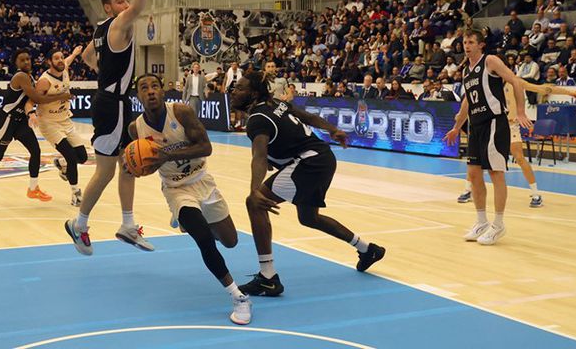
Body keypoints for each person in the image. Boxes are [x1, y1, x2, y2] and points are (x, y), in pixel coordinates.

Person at [231, 70, 385, 298]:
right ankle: (368, 249)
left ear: (253, 93)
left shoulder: (258, 119)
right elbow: (307, 117)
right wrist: (332, 129)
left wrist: (254, 190)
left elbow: (259, 156)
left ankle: (268, 278)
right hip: (322, 158)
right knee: (308, 218)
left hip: (309, 162)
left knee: (254, 203)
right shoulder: (276, 104)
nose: (234, 91)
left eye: (240, 88)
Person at [131, 74, 251, 325]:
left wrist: (165, 155)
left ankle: (190, 220)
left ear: (162, 91)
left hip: (202, 180)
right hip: (176, 188)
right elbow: (148, 165)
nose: (150, 91)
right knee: (205, 240)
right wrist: (138, 166)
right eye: (144, 88)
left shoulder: (181, 112)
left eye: (155, 86)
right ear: (139, 96)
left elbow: (206, 147)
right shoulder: (136, 129)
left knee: (230, 241)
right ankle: (238, 296)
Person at [65, 0, 161, 256]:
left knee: (130, 164)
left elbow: (86, 56)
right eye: (120, 1)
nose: (125, 4)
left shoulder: (100, 29)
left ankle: (128, 225)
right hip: (112, 104)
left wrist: (102, 71)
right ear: (109, 7)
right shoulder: (119, 24)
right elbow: (136, 11)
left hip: (115, 102)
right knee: (106, 171)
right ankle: (78, 224)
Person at [445, 28, 533, 246]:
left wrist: (520, 111)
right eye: (465, 42)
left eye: (471, 42)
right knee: (474, 175)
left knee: (495, 173)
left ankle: (499, 224)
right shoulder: (467, 71)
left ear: (480, 44)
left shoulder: (490, 61)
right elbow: (467, 102)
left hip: (495, 122)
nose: (466, 45)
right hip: (475, 127)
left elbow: (516, 81)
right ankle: (481, 221)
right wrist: (457, 127)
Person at [456, 76, 576, 208]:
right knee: (477, 160)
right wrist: (460, 116)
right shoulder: (485, 81)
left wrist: (568, 92)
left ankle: (536, 194)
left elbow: (542, 88)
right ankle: (467, 190)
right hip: (491, 125)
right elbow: (469, 101)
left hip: (510, 125)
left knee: (519, 158)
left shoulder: (514, 82)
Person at [0, 49, 72, 203]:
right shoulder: (20, 76)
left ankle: (33, 189)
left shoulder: (30, 77)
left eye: (28, 59)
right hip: (6, 120)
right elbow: (37, 98)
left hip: (20, 120)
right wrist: (62, 95)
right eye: (22, 60)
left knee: (36, 151)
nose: (26, 62)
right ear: (16, 63)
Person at [33, 46, 89, 206]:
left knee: (82, 157)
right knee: (72, 157)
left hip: (65, 120)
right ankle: (76, 194)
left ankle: (62, 164)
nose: (60, 60)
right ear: (49, 62)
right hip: (49, 123)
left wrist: (75, 53)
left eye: (61, 57)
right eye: (56, 58)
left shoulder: (64, 69)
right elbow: (36, 100)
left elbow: (69, 59)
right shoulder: (45, 81)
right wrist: (61, 96)